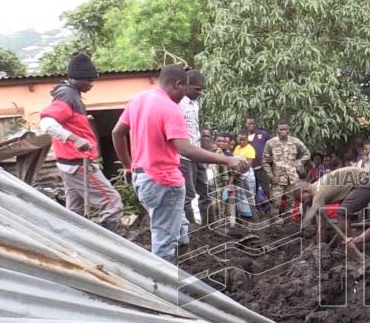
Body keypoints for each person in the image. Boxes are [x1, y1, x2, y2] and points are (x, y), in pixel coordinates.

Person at [112, 65, 249, 262]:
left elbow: (117, 133)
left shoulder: (139, 99)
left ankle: (185, 267)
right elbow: (186, 149)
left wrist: (128, 165)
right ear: (177, 84)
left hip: (143, 178)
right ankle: (162, 286)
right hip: (163, 181)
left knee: (181, 227)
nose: (184, 96)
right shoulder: (170, 108)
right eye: (184, 90)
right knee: (164, 239)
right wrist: (228, 160)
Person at [38, 52, 123, 231]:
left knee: (74, 213)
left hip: (68, 164)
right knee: (112, 204)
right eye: (89, 81)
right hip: (78, 164)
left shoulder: (71, 94)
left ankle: (74, 247)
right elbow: (46, 123)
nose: (91, 85)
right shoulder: (67, 95)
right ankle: (109, 249)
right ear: (78, 78)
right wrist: (75, 138)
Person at [301, 165, 370, 242]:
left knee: (342, 213)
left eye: (302, 199)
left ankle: (349, 248)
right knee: (342, 212)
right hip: (366, 179)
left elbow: (322, 227)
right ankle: (344, 242)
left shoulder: (318, 194)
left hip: (366, 181)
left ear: (305, 191)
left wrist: (319, 245)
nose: (304, 203)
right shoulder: (316, 186)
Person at [178, 71, 205, 235]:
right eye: (197, 89)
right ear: (186, 86)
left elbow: (195, 129)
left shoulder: (195, 104)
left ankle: (209, 226)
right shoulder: (178, 104)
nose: (200, 93)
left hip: (198, 151)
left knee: (206, 191)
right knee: (188, 195)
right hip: (184, 155)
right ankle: (191, 230)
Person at [263, 120, 310, 214]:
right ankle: (275, 225)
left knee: (291, 202)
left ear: (289, 130)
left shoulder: (295, 141)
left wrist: (297, 162)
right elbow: (265, 161)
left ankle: (289, 225)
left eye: (285, 129)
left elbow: (307, 154)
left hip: (292, 178)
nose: (283, 131)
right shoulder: (270, 143)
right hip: (278, 178)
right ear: (277, 130)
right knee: (276, 202)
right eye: (281, 129)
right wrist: (271, 176)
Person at [245, 116, 274, 205]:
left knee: (267, 189)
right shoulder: (243, 136)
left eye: (253, 123)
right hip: (249, 169)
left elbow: (273, 145)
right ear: (246, 125)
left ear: (256, 124)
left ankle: (276, 210)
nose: (251, 125)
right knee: (252, 190)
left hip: (262, 168)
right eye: (249, 123)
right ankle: (257, 211)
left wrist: (271, 158)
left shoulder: (263, 134)